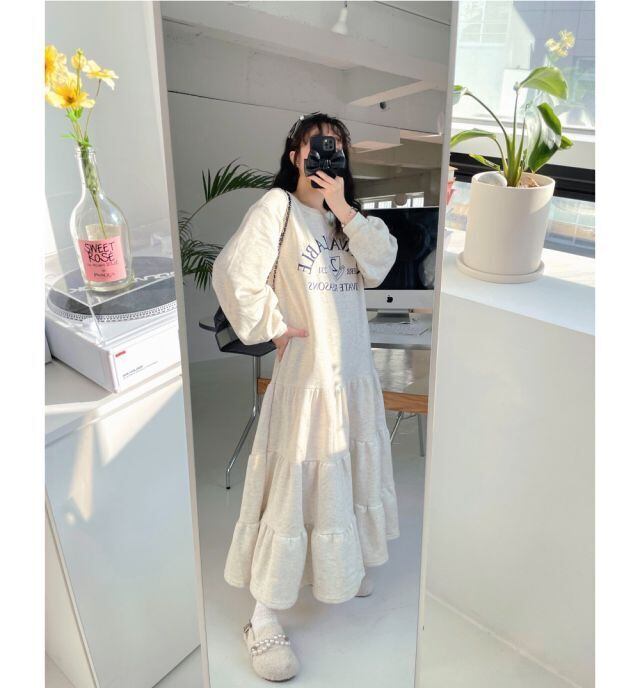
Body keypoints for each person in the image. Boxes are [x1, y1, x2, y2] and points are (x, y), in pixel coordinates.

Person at [211, 112, 399, 681]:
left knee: (344, 474)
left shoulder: (348, 221)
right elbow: (233, 272)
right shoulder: (278, 208)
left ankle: (340, 565)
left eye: (335, 149)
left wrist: (342, 206)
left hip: (353, 379)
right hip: (307, 380)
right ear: (295, 154)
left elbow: (382, 263)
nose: (324, 156)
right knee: (292, 487)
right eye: (315, 146)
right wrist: (272, 325)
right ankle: (263, 615)